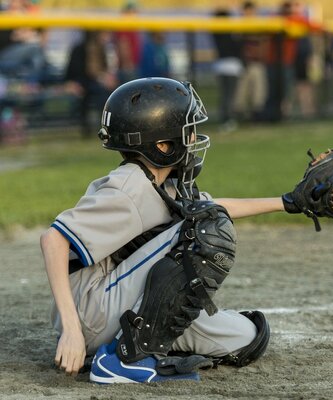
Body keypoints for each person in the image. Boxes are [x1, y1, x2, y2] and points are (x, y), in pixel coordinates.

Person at [40, 77, 278, 382]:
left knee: (248, 338)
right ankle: (124, 359)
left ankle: (147, 341)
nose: (193, 138)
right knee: (203, 229)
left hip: (115, 306)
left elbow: (216, 206)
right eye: (187, 130)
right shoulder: (130, 187)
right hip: (91, 313)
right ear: (163, 145)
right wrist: (72, 331)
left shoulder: (164, 184)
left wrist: (288, 202)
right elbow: (54, 239)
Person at [64, 30, 117, 137]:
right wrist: (71, 83)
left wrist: (106, 78)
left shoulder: (101, 49)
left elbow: (102, 69)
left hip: (94, 82)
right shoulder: (79, 49)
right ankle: (88, 128)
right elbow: (74, 71)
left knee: (107, 95)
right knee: (86, 96)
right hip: (82, 82)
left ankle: (106, 126)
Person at [233, 0, 268, 122]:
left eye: (251, 11)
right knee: (240, 95)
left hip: (256, 63)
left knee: (258, 94)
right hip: (242, 64)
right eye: (247, 11)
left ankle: (256, 118)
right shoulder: (238, 25)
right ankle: (240, 118)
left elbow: (263, 44)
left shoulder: (259, 25)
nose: (249, 13)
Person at [211, 8, 243, 131]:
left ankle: (227, 119)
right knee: (229, 96)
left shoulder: (216, 31)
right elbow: (237, 47)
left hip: (221, 66)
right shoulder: (229, 32)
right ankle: (228, 120)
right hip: (230, 66)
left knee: (225, 96)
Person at [114, 0, 143, 84]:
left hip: (132, 66)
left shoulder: (131, 24)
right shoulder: (124, 24)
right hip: (128, 68)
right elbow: (123, 45)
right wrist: (128, 66)